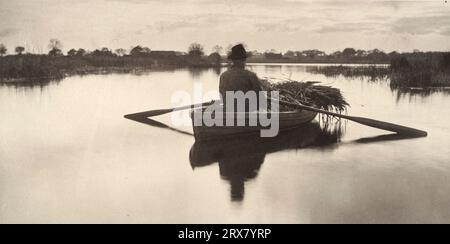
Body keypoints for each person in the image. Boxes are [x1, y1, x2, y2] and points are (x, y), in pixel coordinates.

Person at [219, 44, 268, 111]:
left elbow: (222, 96)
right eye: (244, 60)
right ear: (243, 60)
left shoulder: (223, 76)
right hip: (248, 112)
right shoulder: (251, 75)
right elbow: (261, 98)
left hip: (229, 111)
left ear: (233, 60)